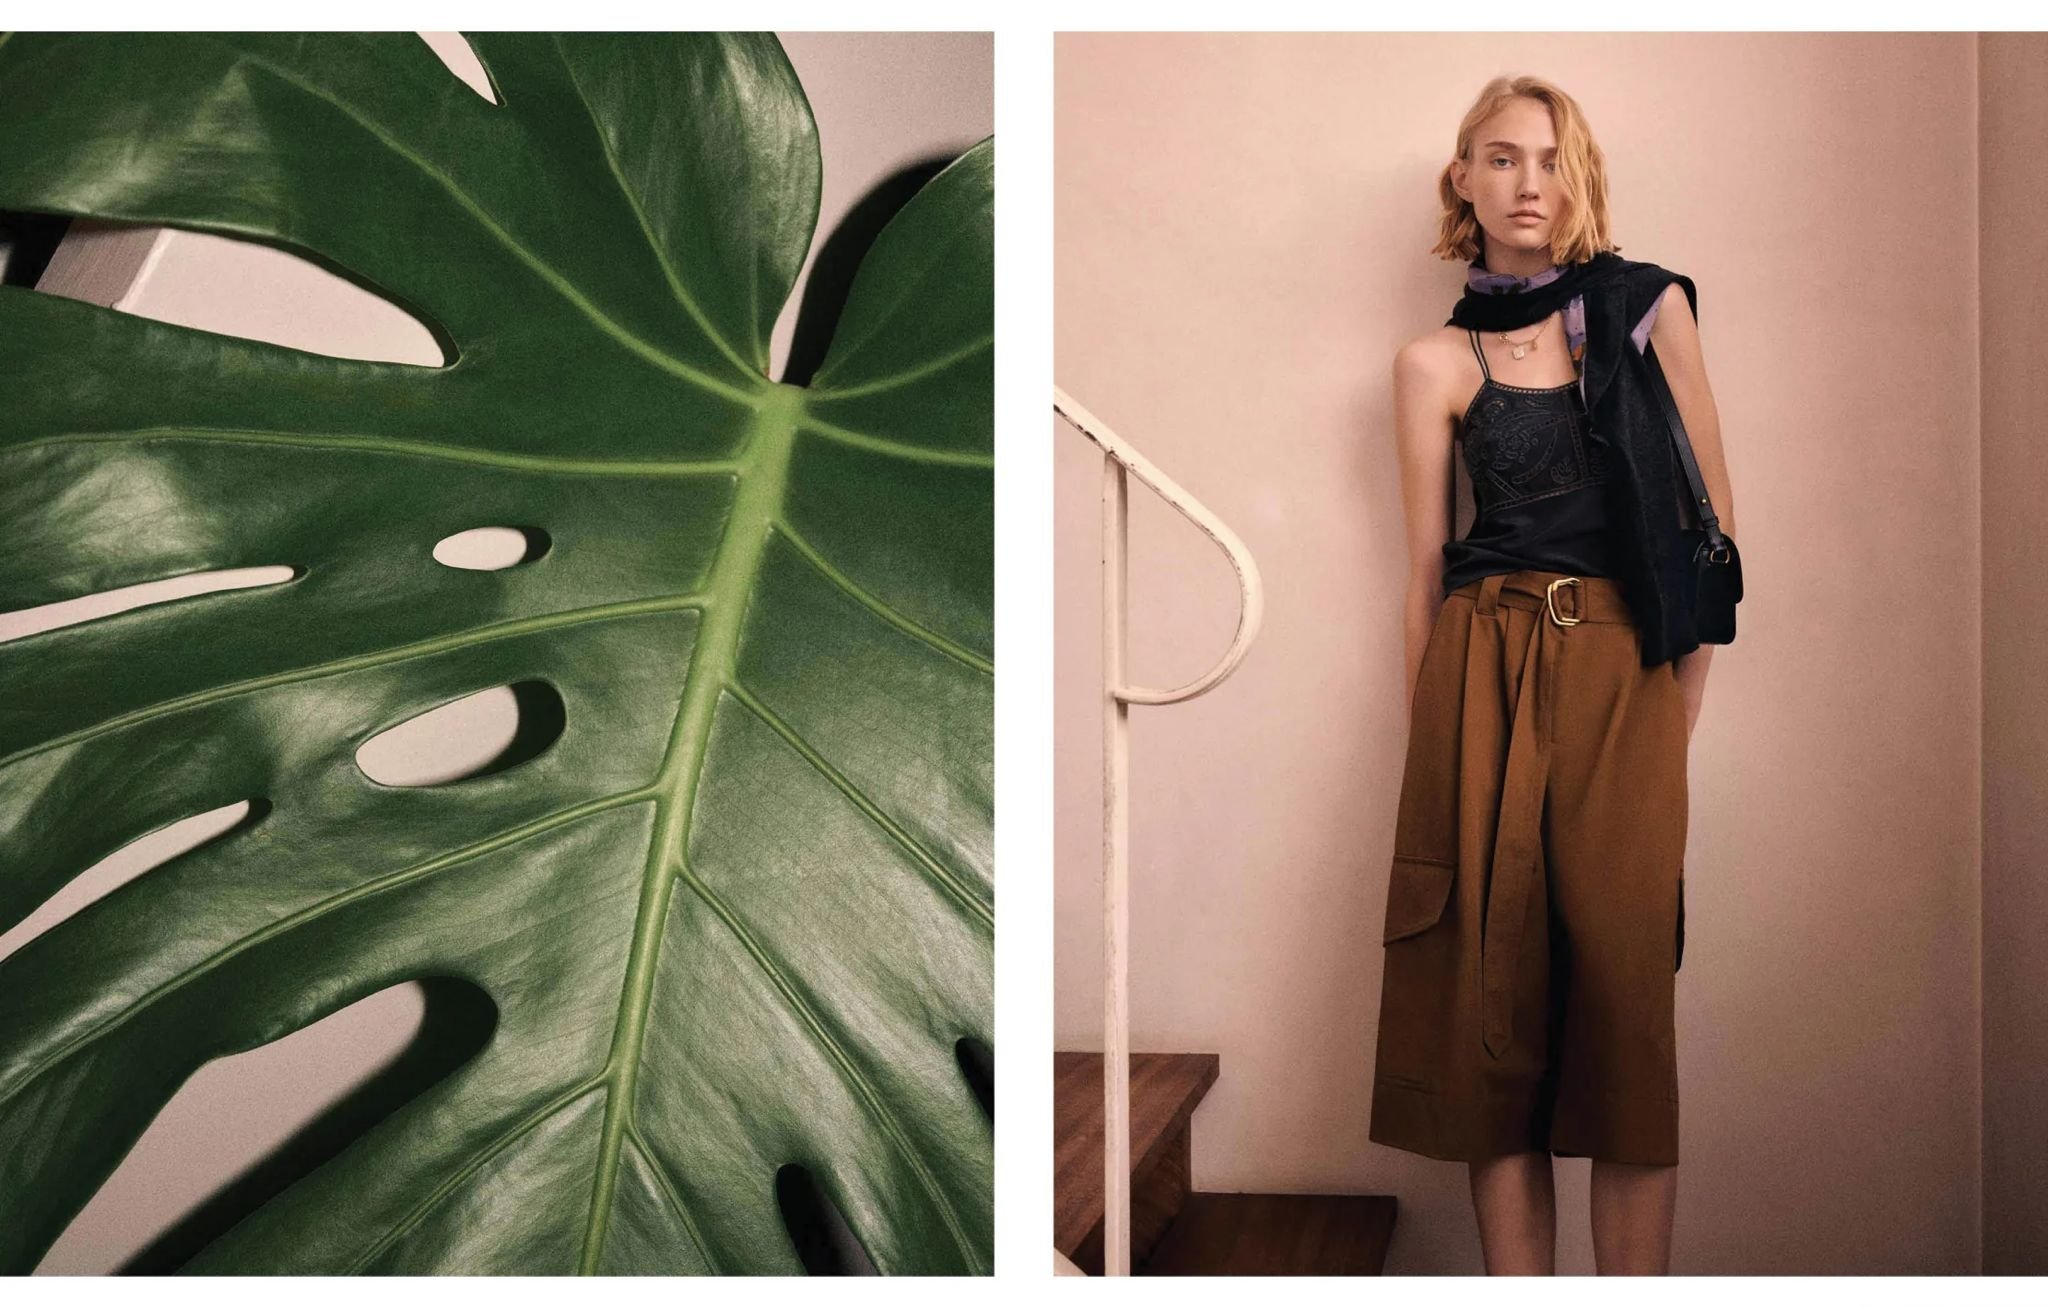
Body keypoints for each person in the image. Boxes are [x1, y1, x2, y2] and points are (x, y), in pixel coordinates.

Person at [1368, 75, 1738, 1276]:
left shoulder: (1647, 311)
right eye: (1501, 158)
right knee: (1493, 1021)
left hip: (1625, 675)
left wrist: (1668, 725)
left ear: (1578, 181)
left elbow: (1710, 543)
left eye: (1551, 159)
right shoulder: (1431, 363)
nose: (1529, 182)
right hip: (1480, 680)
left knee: (1626, 1022)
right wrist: (1432, 751)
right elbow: (1423, 572)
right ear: (1460, 181)